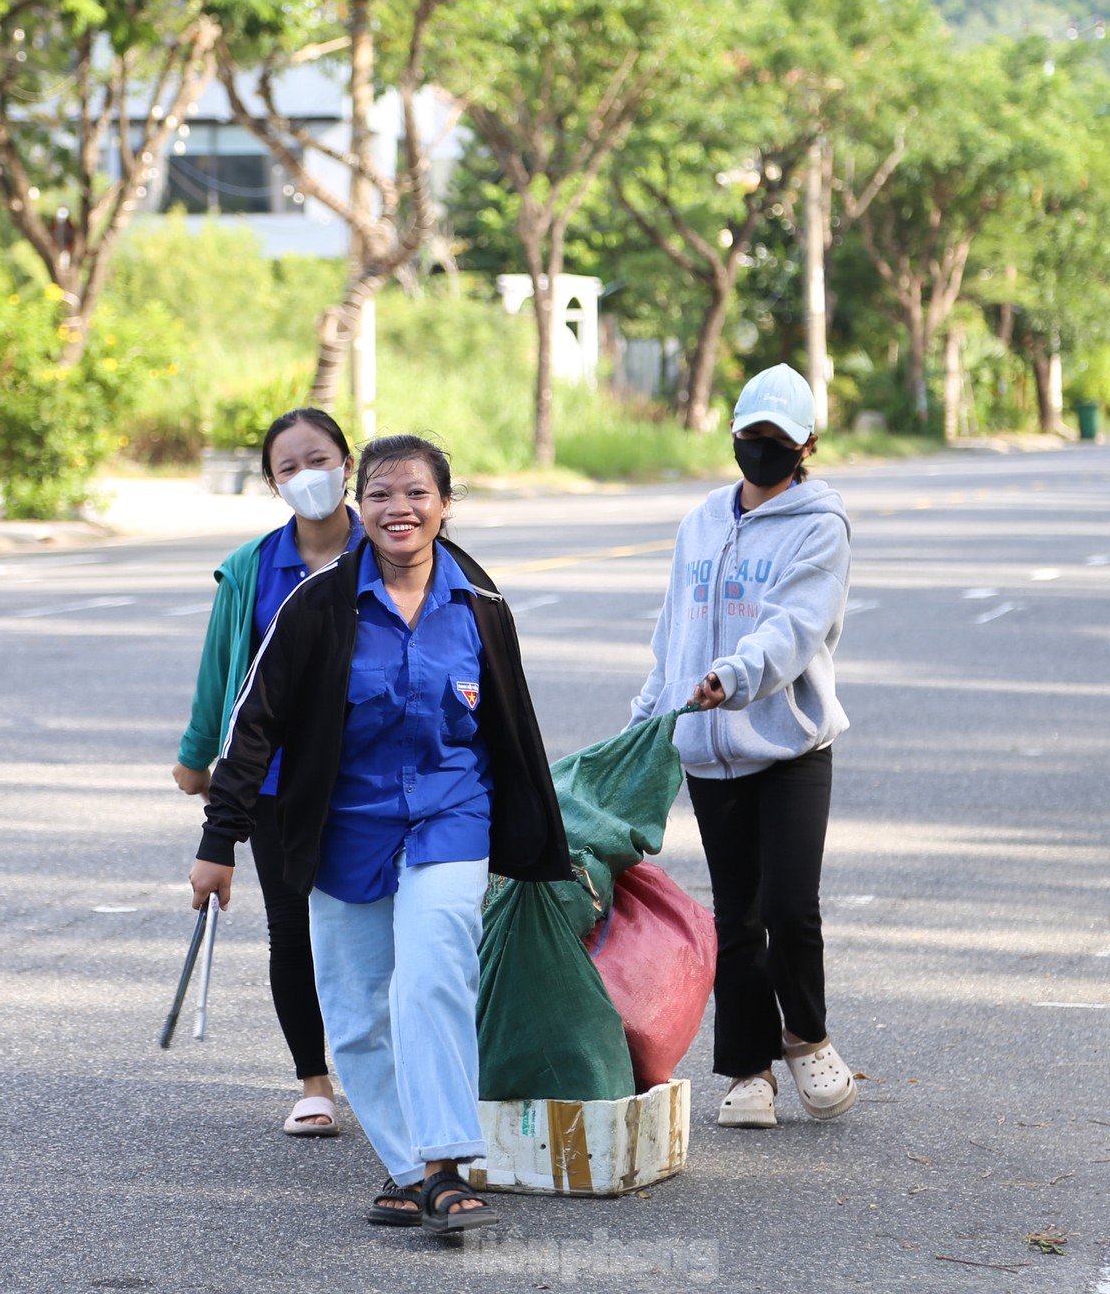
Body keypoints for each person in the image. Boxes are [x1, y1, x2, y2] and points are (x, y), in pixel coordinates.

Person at [188, 434, 571, 1236]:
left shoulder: (479, 602)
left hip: (449, 815)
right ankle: (409, 1172)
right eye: (382, 494)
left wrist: (534, 835)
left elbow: (512, 726)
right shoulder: (317, 605)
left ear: (445, 505)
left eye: (417, 494)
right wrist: (218, 843)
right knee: (356, 1012)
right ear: (362, 507)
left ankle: (444, 1164)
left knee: (434, 973)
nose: (399, 509)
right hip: (342, 828)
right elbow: (253, 724)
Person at [629, 362, 856, 1131]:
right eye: (751, 436)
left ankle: (807, 1035)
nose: (763, 450)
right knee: (738, 916)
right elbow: (673, 635)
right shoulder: (700, 521)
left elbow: (796, 626)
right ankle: (748, 1070)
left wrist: (735, 673)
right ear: (732, 436)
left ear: (807, 446)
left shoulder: (822, 525)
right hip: (708, 747)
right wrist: (647, 716)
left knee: (791, 906)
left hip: (789, 742)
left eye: (779, 440)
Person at [174, 408, 362, 1136]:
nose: (306, 477)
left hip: (369, 772)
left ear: (348, 461)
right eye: (288, 468)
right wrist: (199, 760)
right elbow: (221, 671)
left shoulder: (389, 543)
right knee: (292, 924)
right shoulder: (252, 567)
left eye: (318, 459)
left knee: (376, 922)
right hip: (275, 777)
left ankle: (390, 1064)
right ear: (273, 484)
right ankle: (314, 1080)